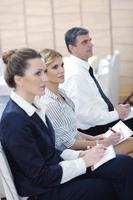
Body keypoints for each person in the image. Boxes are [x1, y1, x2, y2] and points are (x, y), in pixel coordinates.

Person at [0, 49, 133, 200]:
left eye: (44, 72)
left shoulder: (34, 107)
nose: (44, 78)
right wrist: (83, 162)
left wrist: (83, 155)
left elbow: (52, 151)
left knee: (124, 164)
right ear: (19, 80)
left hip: (55, 173)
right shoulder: (14, 120)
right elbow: (39, 176)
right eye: (38, 73)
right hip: (41, 191)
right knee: (105, 186)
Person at [37, 48, 133, 157]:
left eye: (62, 65)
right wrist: (99, 142)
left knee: (130, 146)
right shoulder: (50, 103)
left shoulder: (62, 93)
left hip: (86, 144)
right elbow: (68, 144)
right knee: (130, 145)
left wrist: (96, 138)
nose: (61, 70)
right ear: (44, 72)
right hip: (78, 155)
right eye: (55, 67)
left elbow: (72, 129)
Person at [61, 27, 133, 136]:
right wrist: (116, 114)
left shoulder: (84, 67)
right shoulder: (75, 75)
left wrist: (115, 111)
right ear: (72, 48)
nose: (90, 45)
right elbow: (83, 115)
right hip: (97, 131)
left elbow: (96, 104)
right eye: (84, 42)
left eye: (90, 40)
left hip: (105, 121)